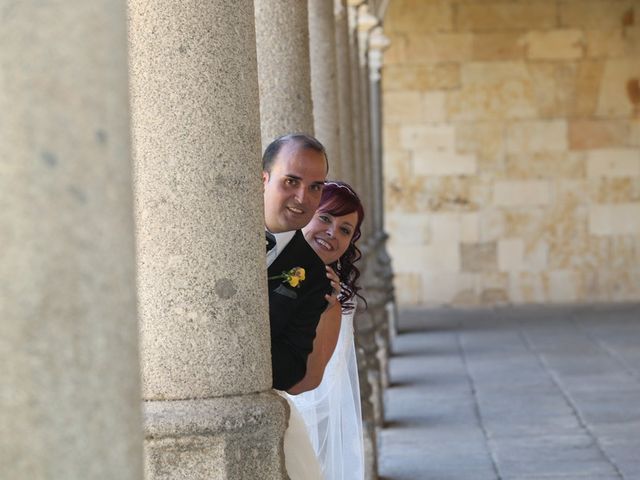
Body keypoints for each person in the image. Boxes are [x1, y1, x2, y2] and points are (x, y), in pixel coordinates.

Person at [262, 133, 338, 480]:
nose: (302, 198)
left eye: (315, 187)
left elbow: (292, 370)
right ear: (262, 178)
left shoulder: (312, 277)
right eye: (291, 181)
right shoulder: (205, 232)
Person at [287, 181, 366, 480]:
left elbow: (316, 383)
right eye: (325, 218)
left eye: (345, 230)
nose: (333, 233)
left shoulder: (335, 296)